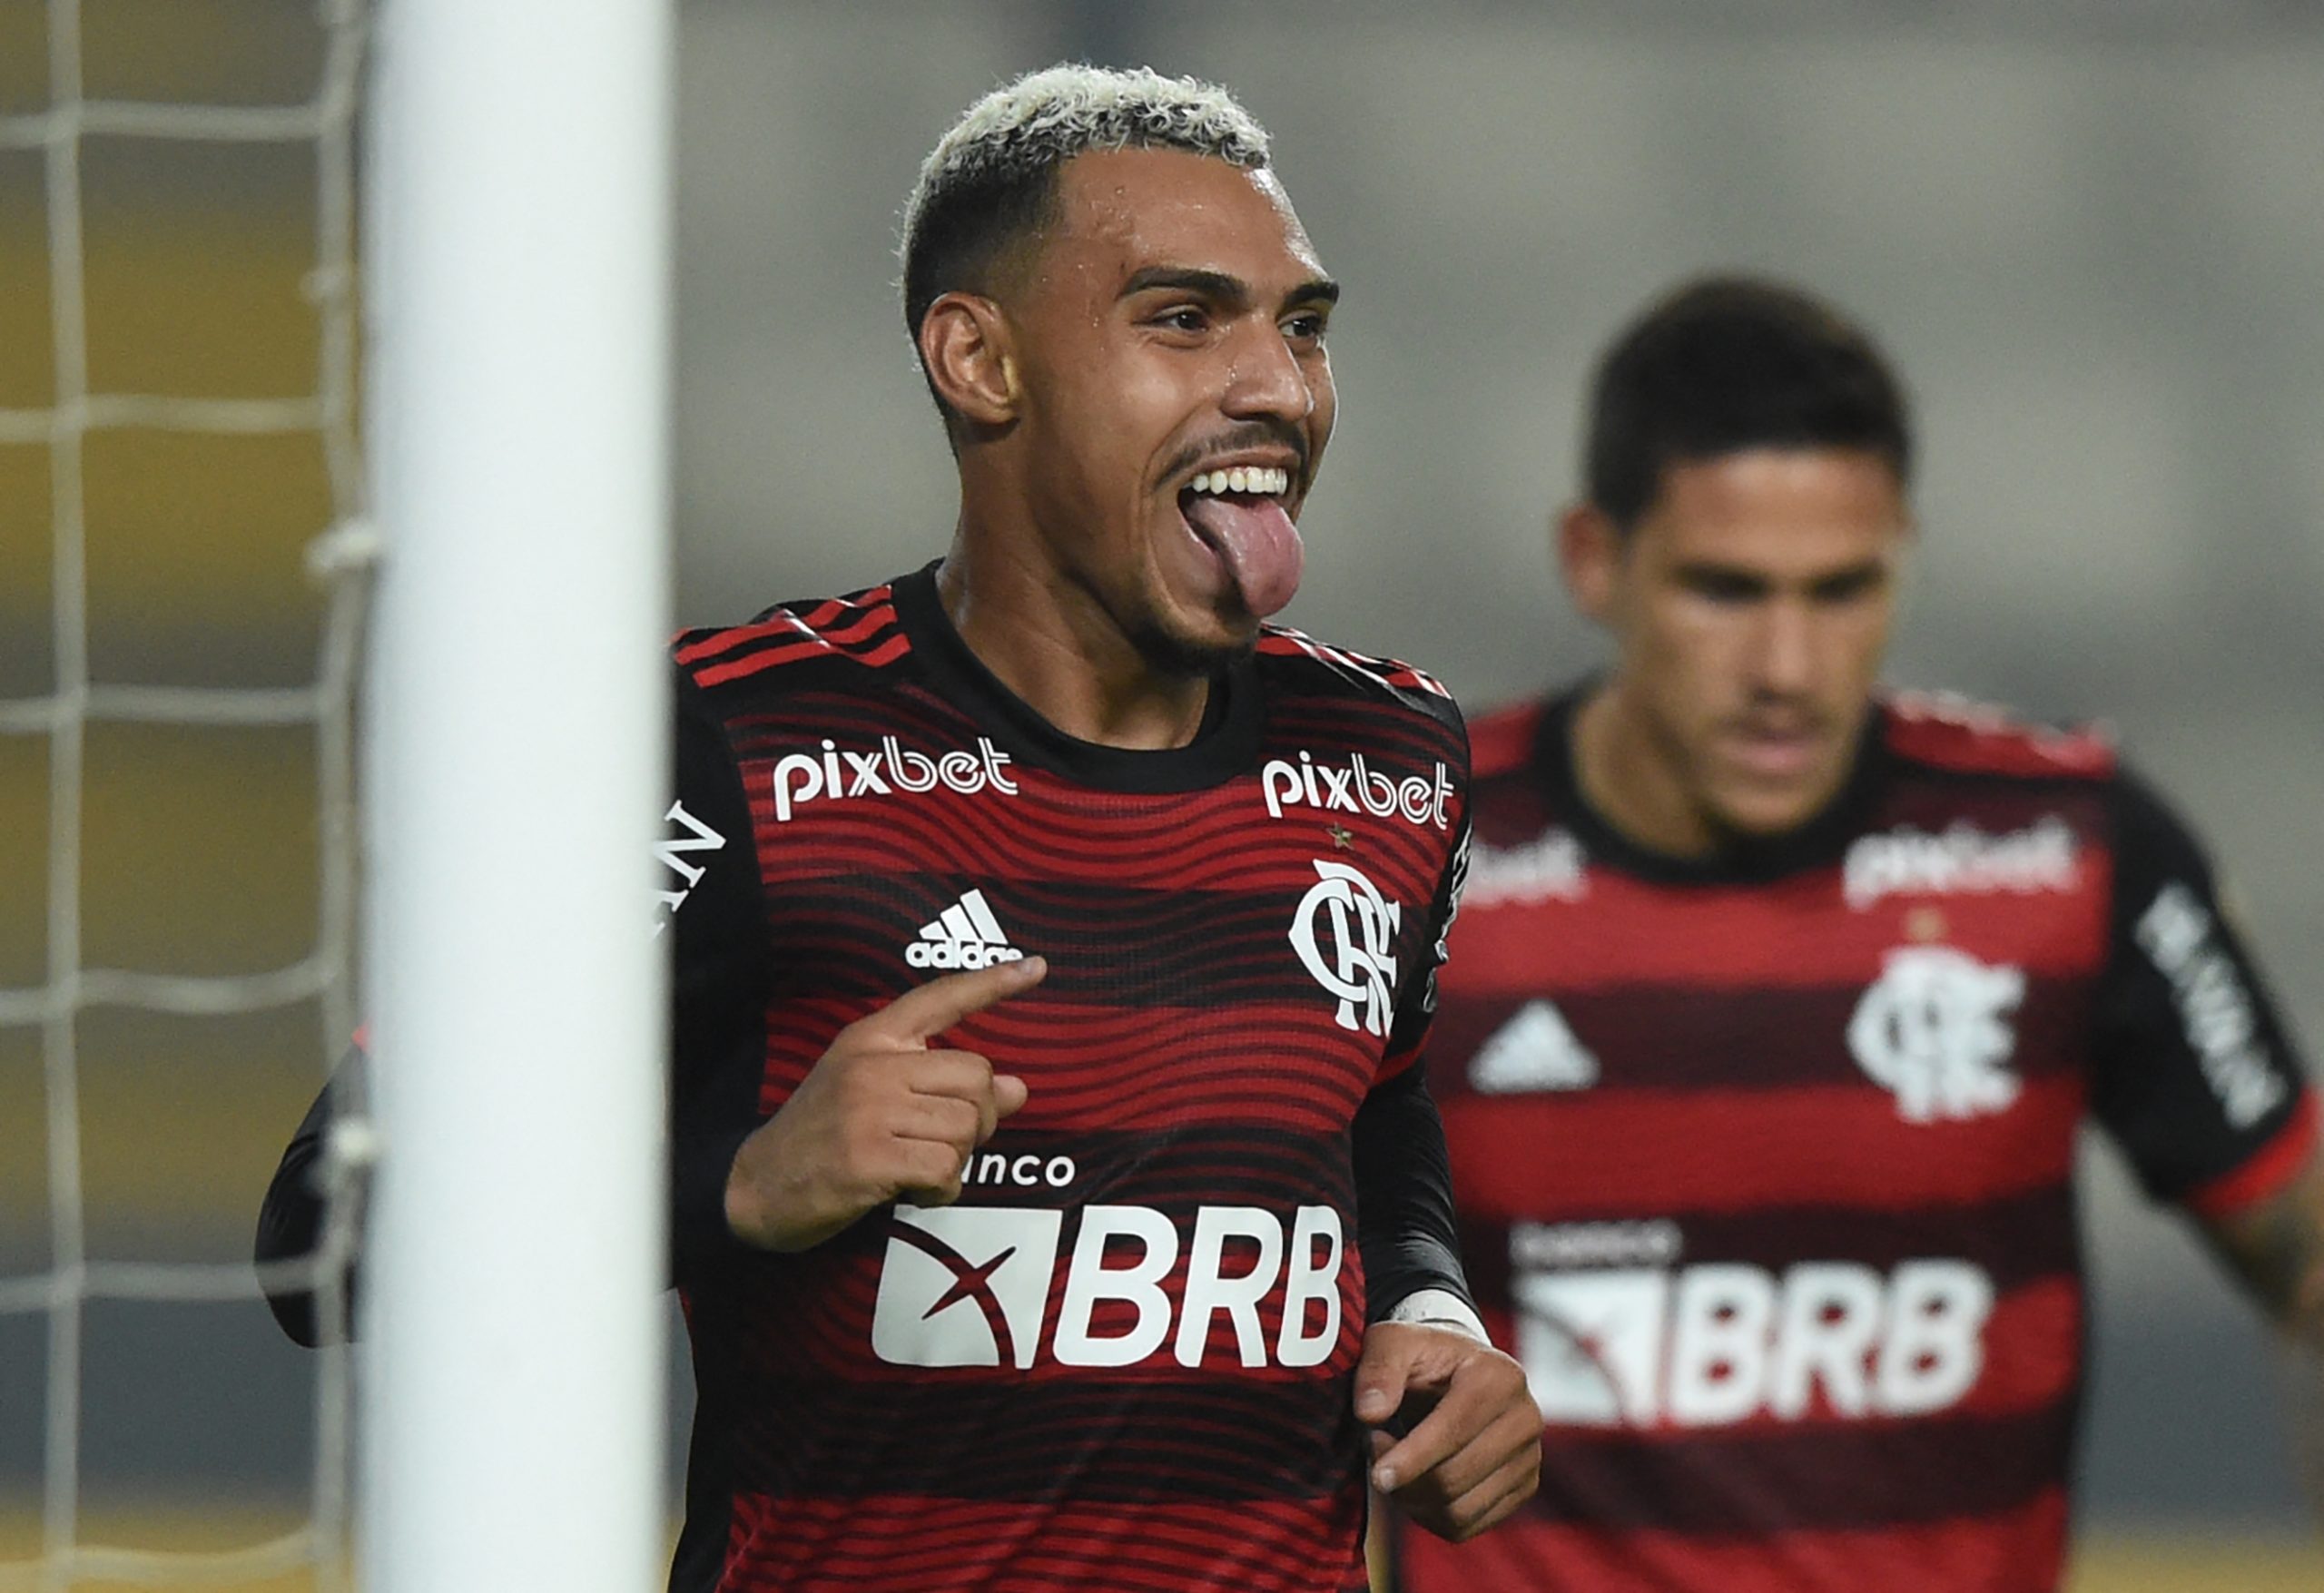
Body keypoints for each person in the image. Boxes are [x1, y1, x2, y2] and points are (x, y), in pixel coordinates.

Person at [257, 65, 1540, 1593]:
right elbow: (323, 1228)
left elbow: (1373, 1111)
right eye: (1185, 319)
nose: (1278, 384)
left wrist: (1436, 1313)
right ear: (978, 359)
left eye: (1302, 324)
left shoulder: (1392, 757)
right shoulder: (720, 743)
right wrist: (742, 1187)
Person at [1390, 275, 2320, 1593]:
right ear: (1595, 561)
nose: (1787, 665)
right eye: (1726, 589)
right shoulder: (1406, 857)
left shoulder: (2067, 854)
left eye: (1842, 590)